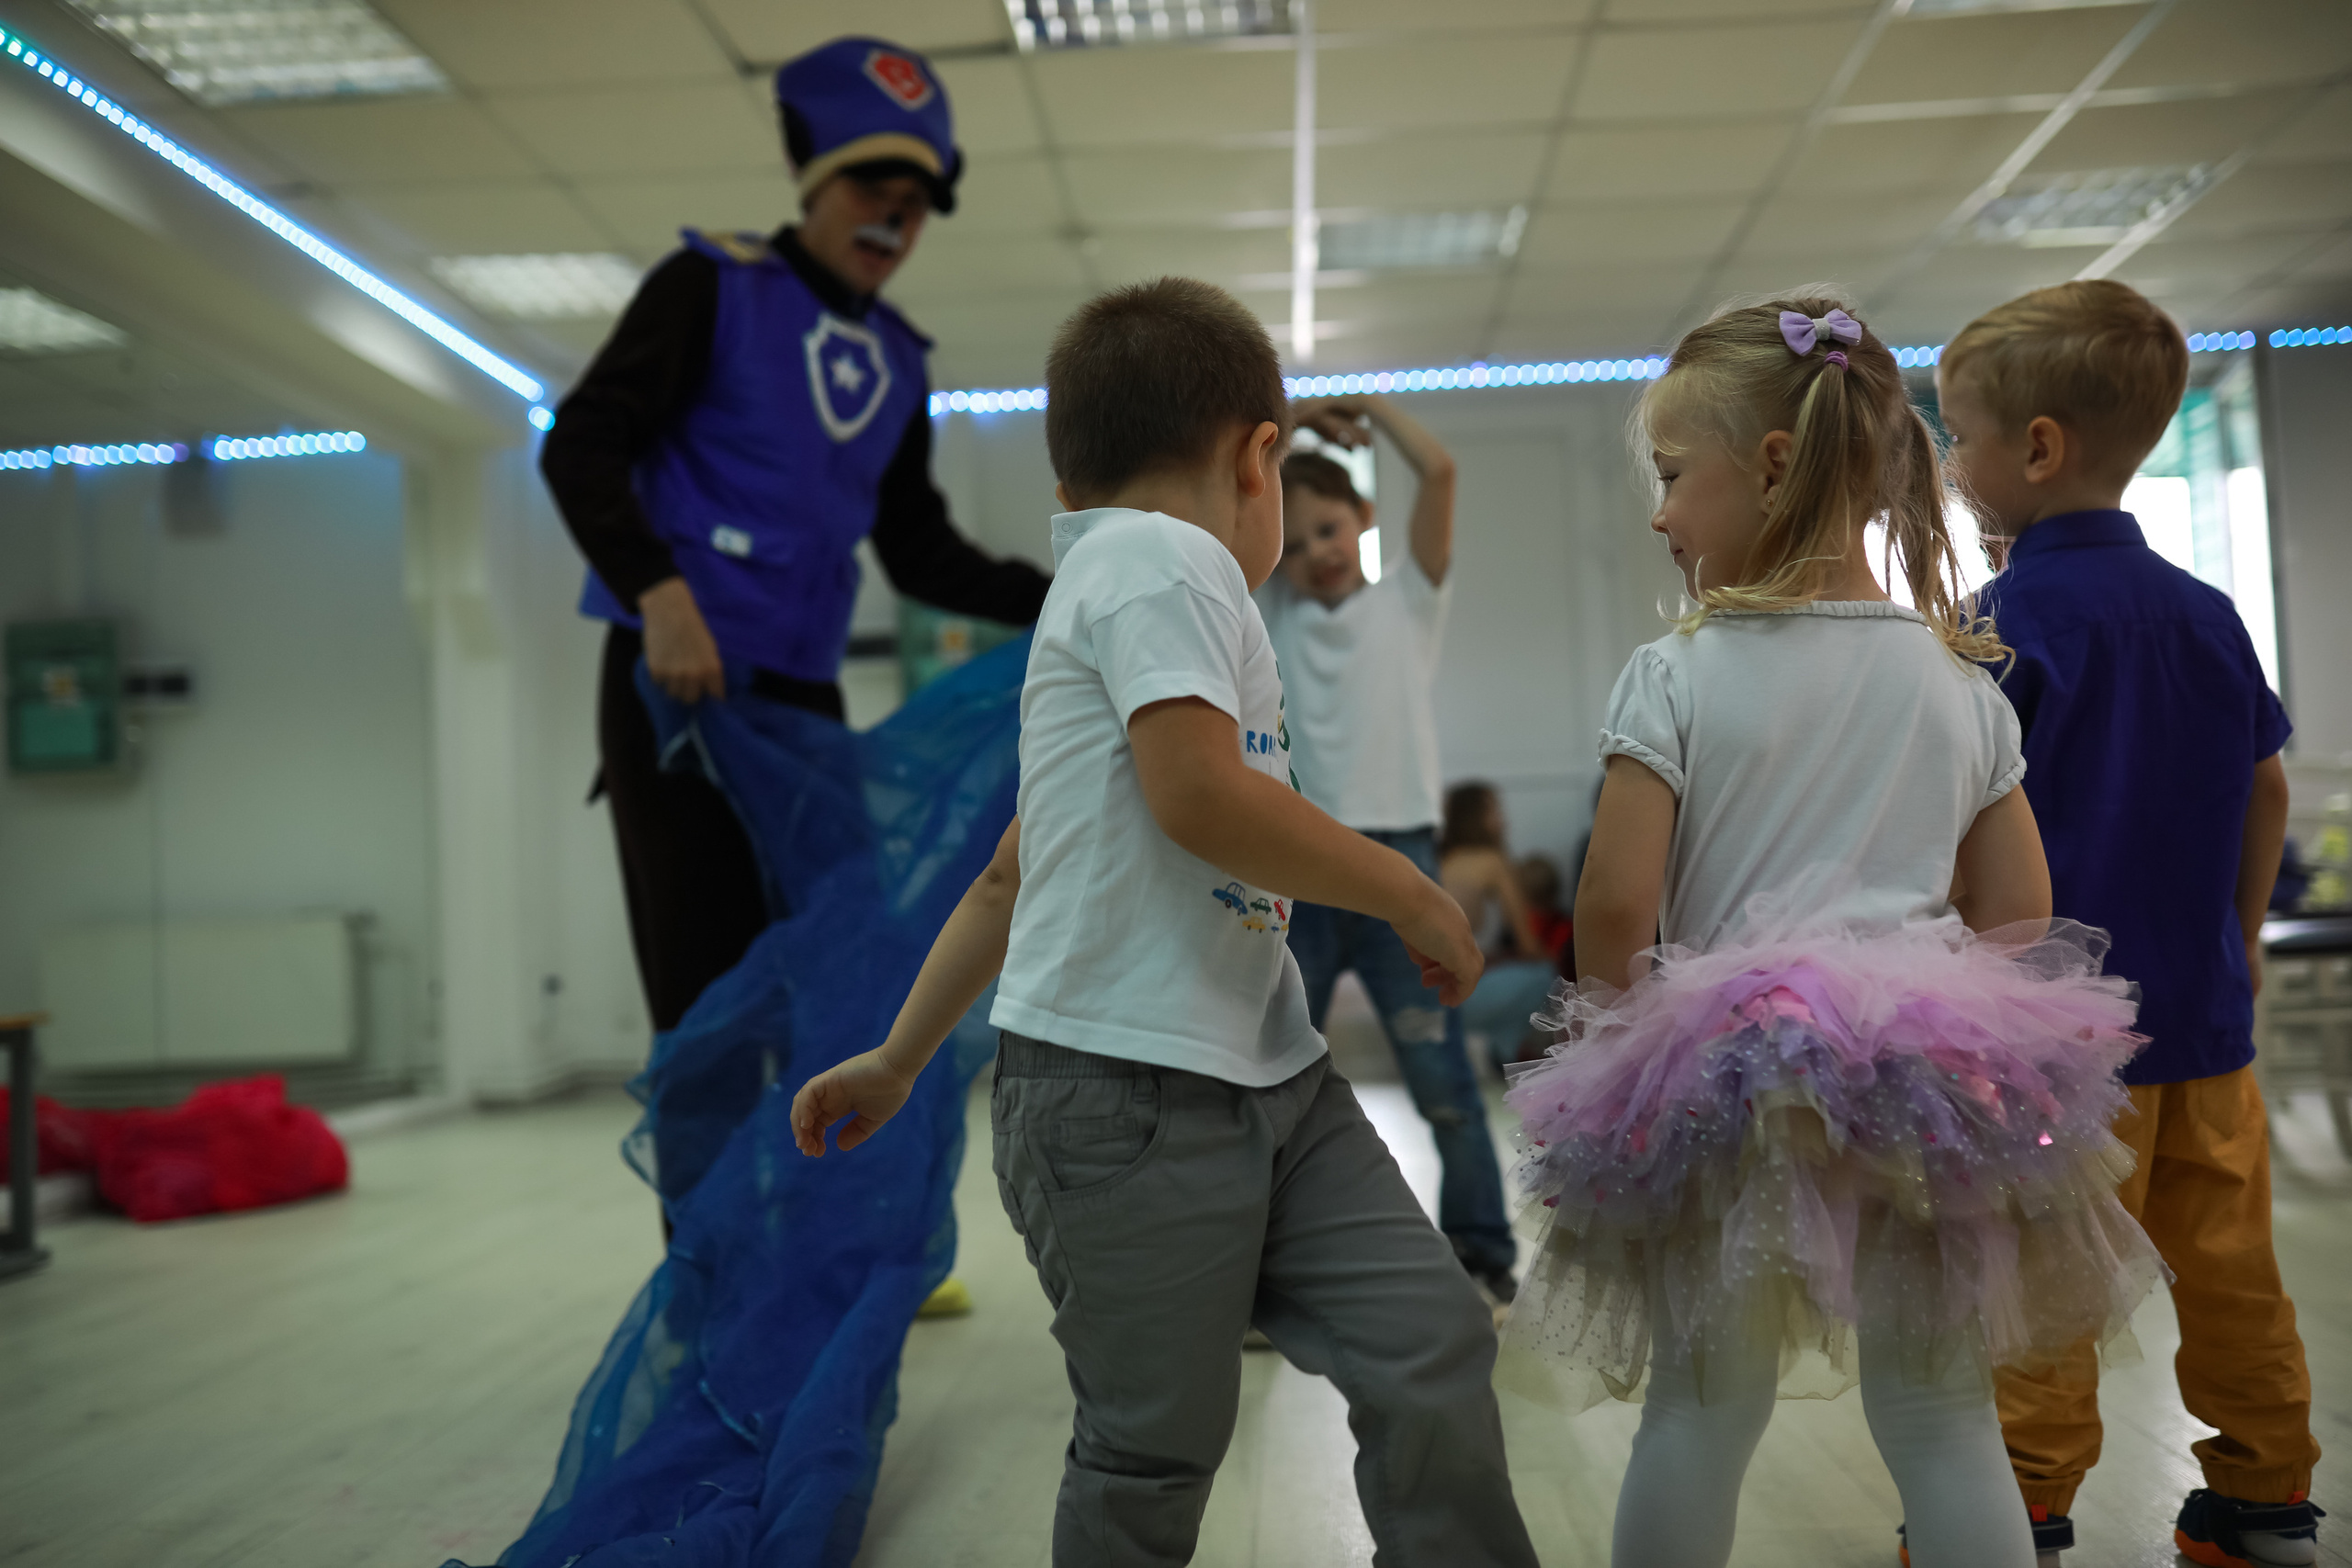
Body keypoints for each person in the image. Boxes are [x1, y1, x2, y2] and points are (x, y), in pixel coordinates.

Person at [790, 277, 1541, 1568]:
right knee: (1154, 1451)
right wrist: (1415, 888)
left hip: (1275, 1079)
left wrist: (900, 1055)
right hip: (1123, 1100)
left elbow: (1008, 876)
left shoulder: (1127, 594)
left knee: (1433, 1336)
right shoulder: (1157, 560)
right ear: (1260, 457)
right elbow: (1201, 796)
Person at [1499, 293, 2164, 1568]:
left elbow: (1617, 905)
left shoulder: (1679, 674)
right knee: (1943, 1416)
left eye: (1671, 474)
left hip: (1728, 1085)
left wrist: (1626, 1046)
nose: (1658, 512)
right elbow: (2019, 914)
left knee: (1699, 1413)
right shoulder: (1958, 678)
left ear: (1771, 466)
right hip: (1924, 1090)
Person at [540, 39, 1047, 1301]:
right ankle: (714, 1276)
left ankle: (845, 1239)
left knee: (850, 970)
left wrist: (1070, 591)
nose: (898, 215)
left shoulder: (902, 363)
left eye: (921, 198)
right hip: (680, 697)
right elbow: (581, 444)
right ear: (809, 173)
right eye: (875, 183)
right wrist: (659, 592)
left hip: (803, 710)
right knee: (714, 998)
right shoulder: (709, 288)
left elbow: (918, 545)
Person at [1940, 279, 2324, 1568]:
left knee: (2042, 1280)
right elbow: (2266, 788)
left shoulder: (1997, 627)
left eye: (1958, 436)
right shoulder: (2209, 614)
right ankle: (2264, 1495)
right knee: (2231, 1271)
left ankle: (2027, 1505)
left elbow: (1968, 825)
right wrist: (2239, 939)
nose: (1951, 463)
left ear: (2035, 448)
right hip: (2206, 1022)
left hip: (2054, 1044)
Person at [1254, 397, 1519, 1301]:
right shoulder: (1269, 611)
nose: (1316, 553)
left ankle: (1481, 1254)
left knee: (1440, 1077)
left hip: (1399, 864)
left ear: (1364, 519)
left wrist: (1364, 412)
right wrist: (1282, 424)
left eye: (1329, 528)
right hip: (1297, 864)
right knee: (1271, 1079)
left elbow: (1439, 473)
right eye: (1292, 543)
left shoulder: (1408, 602)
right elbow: (1227, 494)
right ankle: (1266, 1271)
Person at [1438, 781, 1559, 1071]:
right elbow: (1530, 947)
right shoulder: (1493, 863)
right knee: (1546, 974)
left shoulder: (1436, 860)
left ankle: (1500, 1049)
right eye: (1495, 810)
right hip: (1463, 998)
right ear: (1477, 818)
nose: (1504, 820)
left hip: (1426, 994)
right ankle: (1508, 1050)